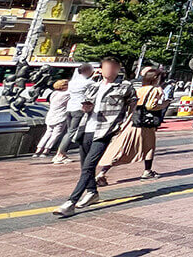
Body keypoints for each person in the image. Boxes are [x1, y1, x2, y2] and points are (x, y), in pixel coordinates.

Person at [53, 57, 136, 217]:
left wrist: (125, 124)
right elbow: (86, 105)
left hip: (105, 130)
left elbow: (133, 105)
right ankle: (92, 192)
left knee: (89, 166)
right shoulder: (94, 86)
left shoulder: (125, 86)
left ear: (118, 69)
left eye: (112, 67)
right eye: (106, 67)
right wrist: (86, 107)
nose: (109, 70)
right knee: (85, 165)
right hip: (86, 128)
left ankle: (71, 202)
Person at [95, 66, 169, 183]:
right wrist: (164, 104)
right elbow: (150, 106)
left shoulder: (140, 89)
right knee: (149, 147)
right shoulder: (155, 90)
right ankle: (147, 171)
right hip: (145, 124)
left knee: (121, 147)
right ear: (155, 78)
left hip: (133, 121)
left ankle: (102, 173)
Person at [53, 63, 95, 164]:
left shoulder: (71, 82)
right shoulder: (88, 82)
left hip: (70, 108)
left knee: (69, 131)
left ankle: (60, 154)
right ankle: (60, 155)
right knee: (72, 132)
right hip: (79, 108)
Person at [33, 79, 72, 158]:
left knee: (48, 133)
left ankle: (38, 150)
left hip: (51, 115)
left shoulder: (54, 93)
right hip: (60, 116)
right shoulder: (67, 94)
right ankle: (46, 150)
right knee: (55, 134)